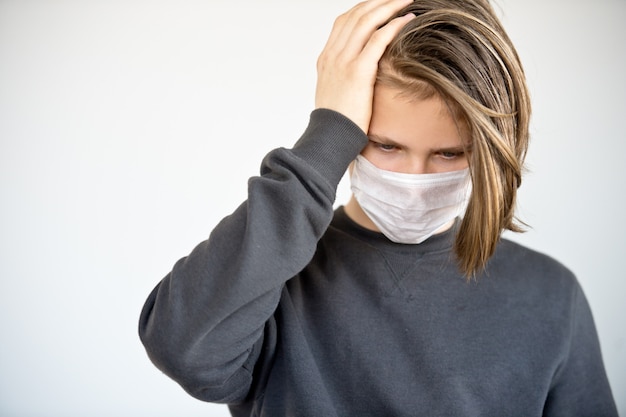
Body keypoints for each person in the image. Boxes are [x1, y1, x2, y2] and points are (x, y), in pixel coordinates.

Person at [139, 0, 618, 415]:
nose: (413, 179)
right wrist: (327, 134)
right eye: (384, 145)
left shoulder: (551, 298)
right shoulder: (271, 283)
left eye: (449, 153)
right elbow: (180, 347)